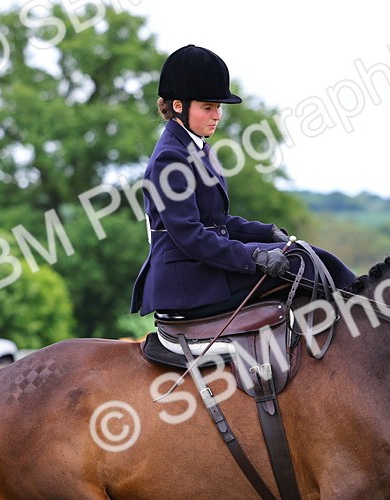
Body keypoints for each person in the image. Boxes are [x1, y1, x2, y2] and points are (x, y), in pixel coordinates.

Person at [130, 44, 355, 319]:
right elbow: (191, 236)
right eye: (208, 107)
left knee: (304, 253)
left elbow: (217, 222)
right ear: (178, 106)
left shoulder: (196, 147)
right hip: (187, 279)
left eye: (218, 107)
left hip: (201, 266)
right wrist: (255, 257)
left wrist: (265, 233)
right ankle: (366, 314)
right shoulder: (170, 158)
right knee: (302, 261)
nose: (217, 116)